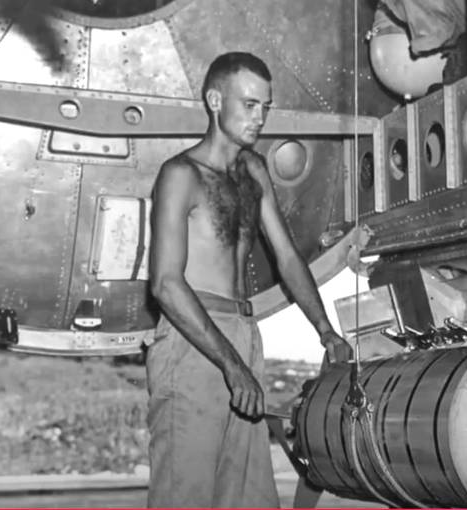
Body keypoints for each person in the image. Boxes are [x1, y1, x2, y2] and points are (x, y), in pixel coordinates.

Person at [147, 51, 352, 508]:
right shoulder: (179, 176)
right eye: (250, 104)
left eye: (266, 106)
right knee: (187, 496)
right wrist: (230, 365)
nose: (260, 118)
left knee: (250, 498)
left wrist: (325, 332)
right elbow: (164, 284)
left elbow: (287, 256)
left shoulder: (252, 171)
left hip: (243, 336)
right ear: (215, 99)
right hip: (192, 343)